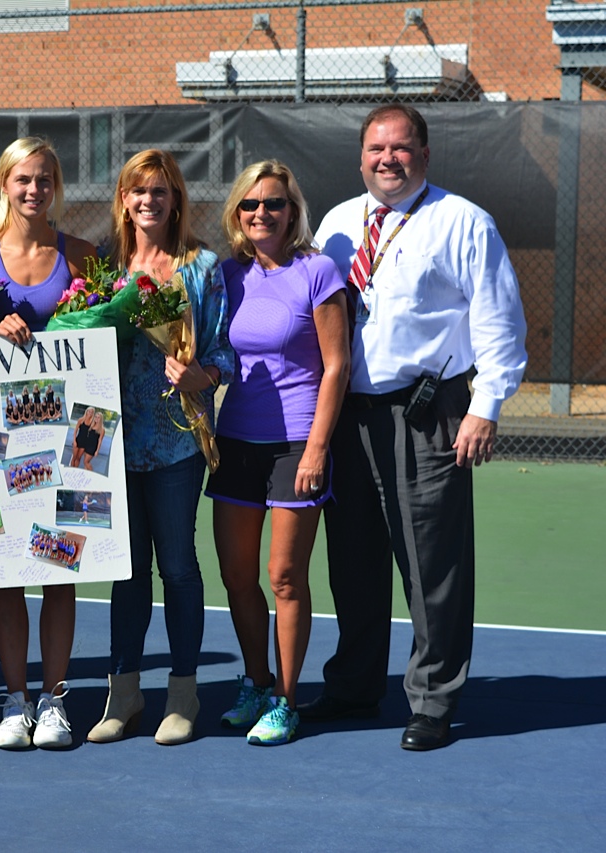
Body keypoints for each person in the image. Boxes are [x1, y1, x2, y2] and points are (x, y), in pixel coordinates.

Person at [307, 104, 528, 751]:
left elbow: (500, 320)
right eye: (376, 149)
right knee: (353, 561)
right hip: (348, 417)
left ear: (424, 156)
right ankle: (354, 684)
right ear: (360, 158)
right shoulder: (337, 224)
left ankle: (432, 700)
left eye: (401, 148)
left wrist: (486, 406)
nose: (388, 159)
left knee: (433, 564)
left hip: (427, 414)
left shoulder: (463, 222)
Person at [86, 149, 234, 747]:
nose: (149, 200)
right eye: (138, 190)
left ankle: (182, 694)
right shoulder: (103, 268)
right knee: (126, 572)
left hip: (176, 441)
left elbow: (223, 350)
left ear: (175, 200)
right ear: (124, 200)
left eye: (160, 190)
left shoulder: (202, 268)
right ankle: (123, 696)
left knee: (176, 565)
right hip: (110, 442)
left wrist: (204, 376)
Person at [206, 160, 350, 747]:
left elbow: (337, 365)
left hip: (297, 444)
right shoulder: (225, 275)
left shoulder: (318, 271)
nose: (261, 213)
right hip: (235, 442)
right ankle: (257, 683)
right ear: (237, 213)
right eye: (250, 204)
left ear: (292, 211)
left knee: (284, 576)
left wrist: (317, 449)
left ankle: (287, 702)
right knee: (237, 576)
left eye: (274, 203)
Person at [0, 137, 97, 750]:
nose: (33, 189)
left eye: (44, 179)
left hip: (65, 438)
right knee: (5, 571)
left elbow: (103, 333)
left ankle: (54, 701)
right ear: (4, 183)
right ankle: (15, 701)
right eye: (23, 179)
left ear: (56, 186)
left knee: (59, 569)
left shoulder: (82, 256)